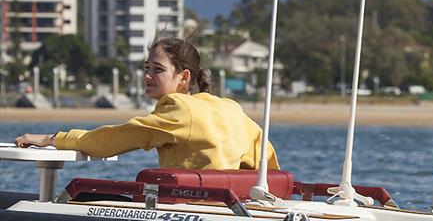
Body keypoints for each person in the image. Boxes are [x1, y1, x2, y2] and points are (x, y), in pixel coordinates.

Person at [14, 35, 279, 171]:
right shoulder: (229, 108)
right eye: (146, 67)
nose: (147, 76)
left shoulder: (179, 109)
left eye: (158, 69)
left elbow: (111, 141)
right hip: (228, 209)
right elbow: (266, 156)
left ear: (183, 77)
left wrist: (53, 139)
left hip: (190, 210)